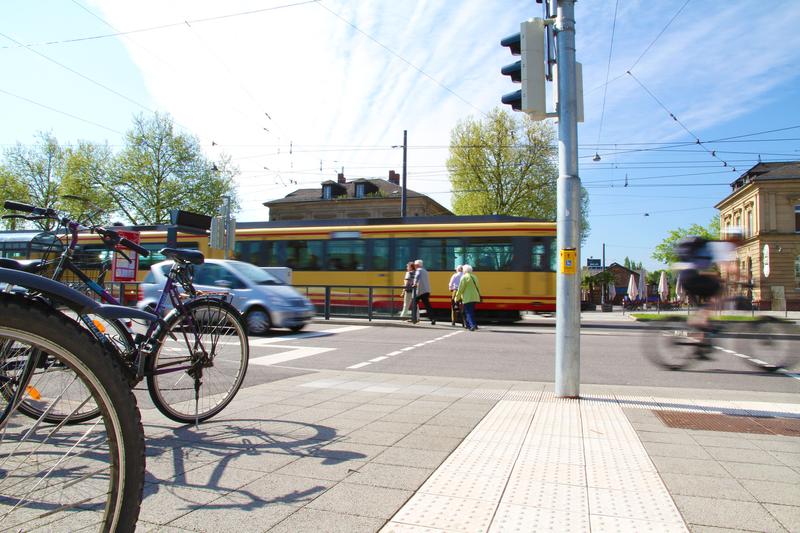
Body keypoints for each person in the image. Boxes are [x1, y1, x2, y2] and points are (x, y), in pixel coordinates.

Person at [674, 228, 742, 332]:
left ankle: (702, 340)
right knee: (719, 289)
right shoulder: (723, 246)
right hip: (690, 276)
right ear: (734, 239)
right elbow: (730, 268)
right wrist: (748, 278)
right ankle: (699, 319)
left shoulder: (710, 245)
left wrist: (716, 277)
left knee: (711, 291)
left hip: (685, 276)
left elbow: (701, 268)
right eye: (740, 239)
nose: (741, 242)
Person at [455, 264, 481, 331]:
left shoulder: (464, 277)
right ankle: (472, 325)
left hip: (468, 297)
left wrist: (456, 298)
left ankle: (472, 326)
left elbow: (460, 289)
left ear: (464, 270)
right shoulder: (474, 277)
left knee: (468, 312)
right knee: (471, 311)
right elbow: (478, 287)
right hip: (475, 296)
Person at [412, 259, 435, 325]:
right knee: (427, 306)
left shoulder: (418, 270)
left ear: (417, 265)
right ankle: (432, 318)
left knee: (414, 303)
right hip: (426, 290)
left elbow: (417, 277)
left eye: (415, 265)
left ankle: (414, 318)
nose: (414, 266)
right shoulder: (425, 271)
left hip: (420, 291)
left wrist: (414, 283)